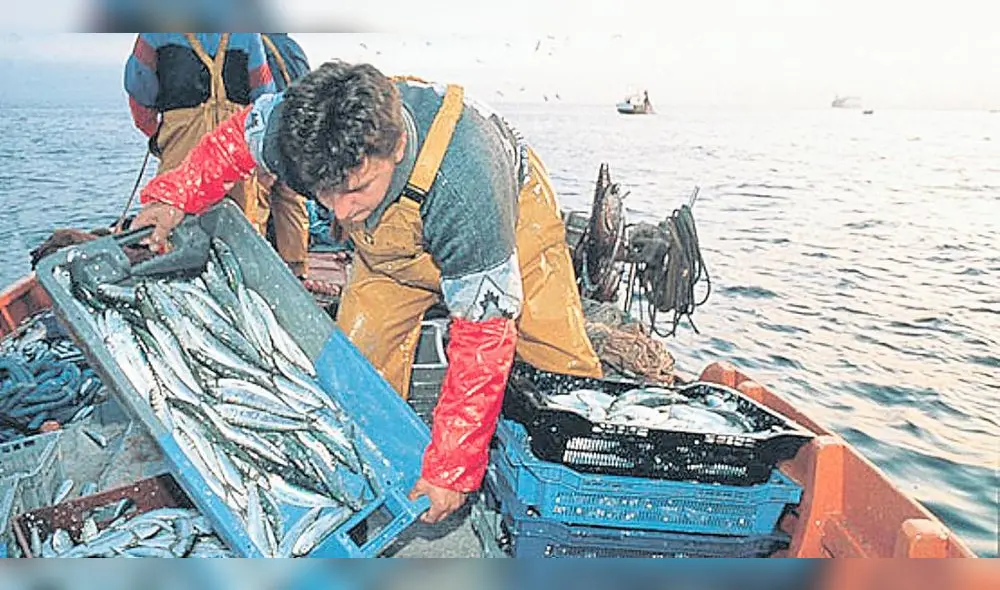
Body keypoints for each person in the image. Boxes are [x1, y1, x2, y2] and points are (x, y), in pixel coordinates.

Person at [132, 60, 603, 524]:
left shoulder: (467, 184)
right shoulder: (299, 130)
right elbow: (234, 142)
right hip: (389, 252)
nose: (340, 211)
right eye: (325, 191)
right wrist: (172, 197)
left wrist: (452, 468)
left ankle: (585, 499)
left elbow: (484, 333)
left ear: (396, 147)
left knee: (559, 366)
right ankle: (373, 487)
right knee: (355, 377)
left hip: (510, 224)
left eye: (355, 188)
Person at [124, 33, 275, 229]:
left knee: (170, 227)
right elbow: (264, 98)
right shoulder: (248, 34)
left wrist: (163, 137)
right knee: (241, 228)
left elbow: (139, 98)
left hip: (179, 148)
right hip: (237, 150)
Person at [257, 33, 312, 278]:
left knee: (258, 198)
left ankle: (256, 267)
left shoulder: (256, 43)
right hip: (296, 135)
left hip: (269, 134)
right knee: (292, 199)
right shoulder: (294, 49)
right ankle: (297, 266)